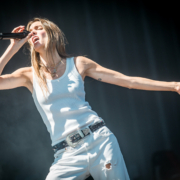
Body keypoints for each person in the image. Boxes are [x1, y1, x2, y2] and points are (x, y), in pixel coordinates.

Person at [0, 17, 179, 180]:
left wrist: (174, 85)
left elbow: (128, 81)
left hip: (99, 140)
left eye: (38, 28)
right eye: (29, 31)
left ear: (52, 33)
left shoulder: (78, 64)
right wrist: (12, 47)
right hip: (66, 153)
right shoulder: (28, 75)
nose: (32, 33)